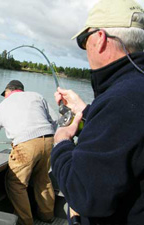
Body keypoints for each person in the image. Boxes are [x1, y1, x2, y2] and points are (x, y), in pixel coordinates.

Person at [51, 0, 144, 224]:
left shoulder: (121, 100)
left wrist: (61, 142)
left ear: (100, 39)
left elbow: (83, 193)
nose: (85, 50)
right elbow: (127, 136)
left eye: (84, 41)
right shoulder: (133, 91)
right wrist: (87, 111)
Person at [0, 80, 56, 225]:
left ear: (8, 91)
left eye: (4, 94)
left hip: (26, 146)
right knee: (43, 179)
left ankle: (26, 221)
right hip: (49, 140)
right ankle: (47, 216)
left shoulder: (3, 105)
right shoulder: (37, 96)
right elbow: (55, 120)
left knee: (15, 183)